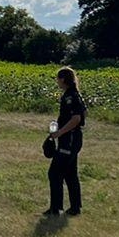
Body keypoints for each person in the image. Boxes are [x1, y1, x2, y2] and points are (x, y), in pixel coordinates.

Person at [45, 67, 84, 215]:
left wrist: (60, 132)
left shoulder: (70, 97)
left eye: (57, 78)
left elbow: (76, 118)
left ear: (63, 79)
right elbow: (84, 112)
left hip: (70, 138)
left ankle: (56, 208)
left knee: (54, 173)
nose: (57, 81)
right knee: (70, 173)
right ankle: (75, 207)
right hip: (71, 138)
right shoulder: (73, 94)